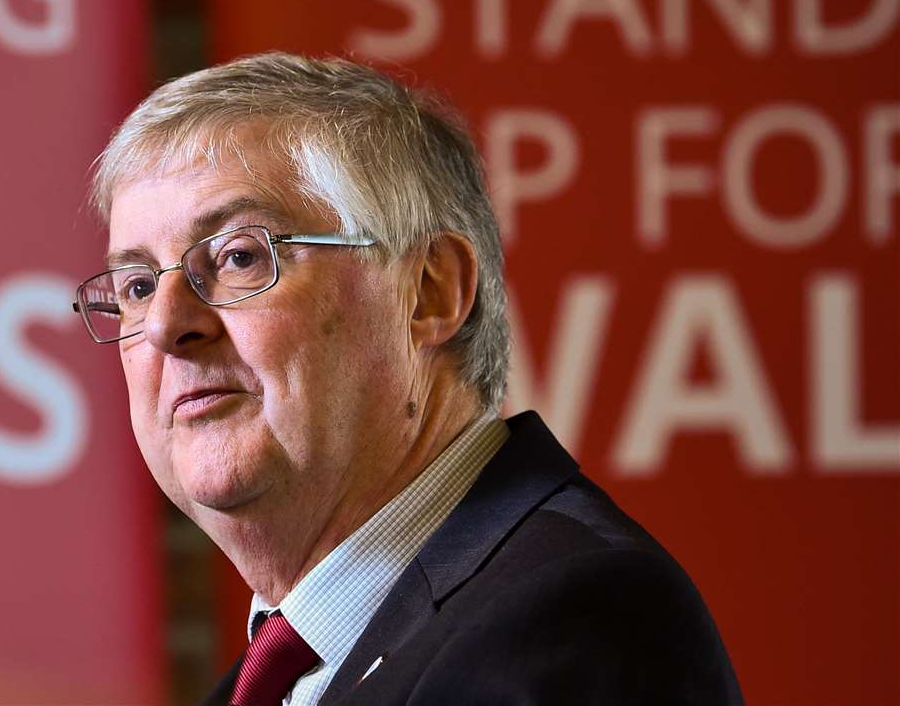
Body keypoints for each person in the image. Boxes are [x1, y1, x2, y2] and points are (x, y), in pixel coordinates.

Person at [76, 53, 741, 706]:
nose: (165, 326)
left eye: (238, 257)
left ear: (427, 291)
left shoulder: (575, 617)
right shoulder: (282, 674)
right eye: (136, 285)